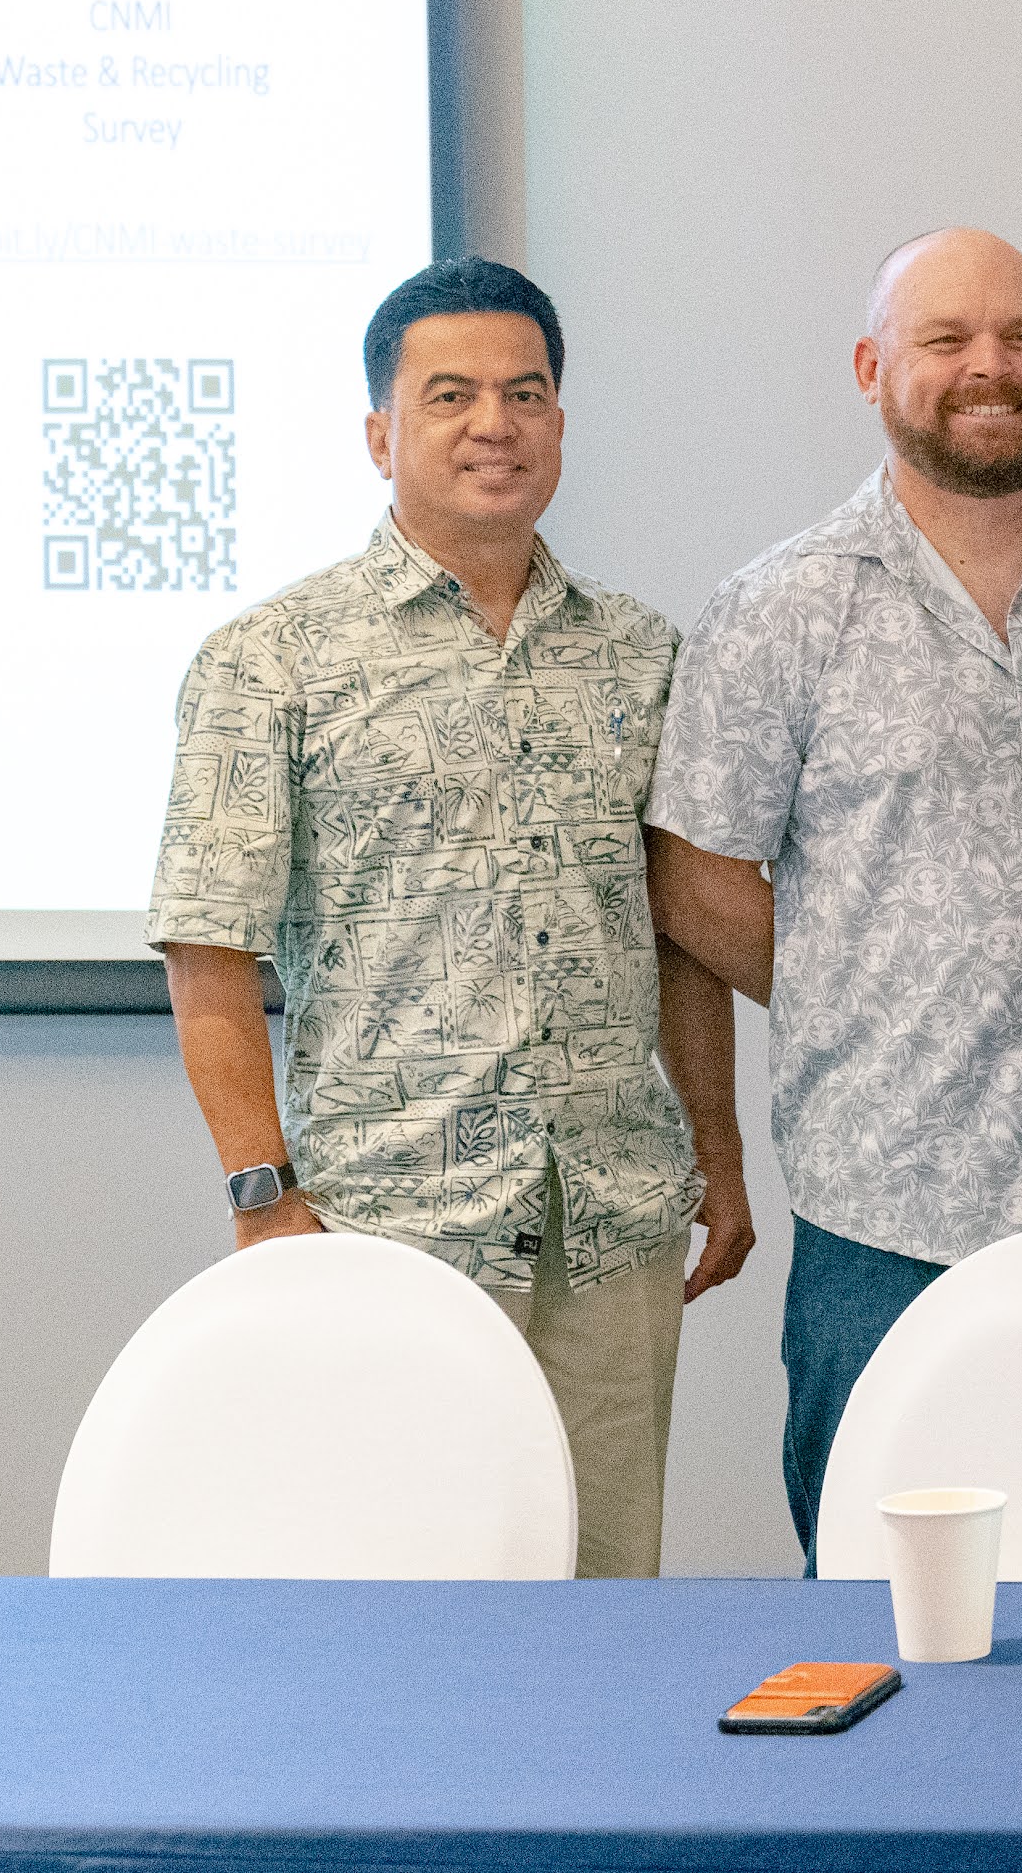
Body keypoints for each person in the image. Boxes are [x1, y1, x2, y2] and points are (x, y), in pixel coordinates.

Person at [151, 258, 753, 1575]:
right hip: (386, 1227)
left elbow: (680, 938)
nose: (496, 422)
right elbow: (209, 954)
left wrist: (719, 1146)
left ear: (559, 421)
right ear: (381, 434)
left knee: (604, 1601)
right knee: (409, 1612)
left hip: (610, 1219)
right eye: (452, 395)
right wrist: (264, 1203)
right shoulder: (272, 659)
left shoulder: (641, 653)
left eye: (526, 393)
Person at [651, 227, 1022, 1562]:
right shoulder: (780, 608)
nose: (991, 367)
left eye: (1021, 337)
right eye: (947, 339)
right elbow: (692, 873)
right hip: (887, 1221)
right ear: (872, 368)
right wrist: (864, 976)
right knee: (881, 1614)